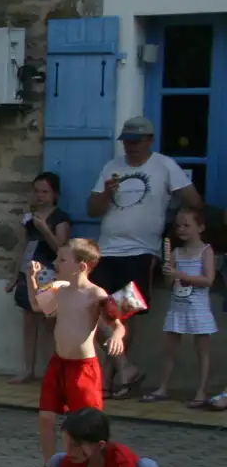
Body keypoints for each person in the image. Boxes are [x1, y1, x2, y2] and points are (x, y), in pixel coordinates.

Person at [87, 115, 202, 396]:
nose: (130, 147)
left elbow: (194, 201)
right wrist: (107, 194)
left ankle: (109, 380)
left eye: (136, 141)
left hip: (141, 252)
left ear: (149, 140)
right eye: (126, 141)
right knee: (95, 310)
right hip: (107, 250)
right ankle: (124, 368)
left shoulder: (164, 166)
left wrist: (177, 228)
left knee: (124, 316)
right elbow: (92, 209)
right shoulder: (112, 166)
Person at [26, 238, 123, 467]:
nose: (56, 263)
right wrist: (32, 279)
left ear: (82, 266)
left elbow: (117, 323)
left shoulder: (96, 294)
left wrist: (115, 336)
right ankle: (50, 466)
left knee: (87, 425)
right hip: (58, 364)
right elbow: (37, 305)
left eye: (62, 259)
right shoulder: (58, 288)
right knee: (46, 417)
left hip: (83, 368)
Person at [6, 172, 73, 383]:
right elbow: (23, 247)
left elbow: (61, 248)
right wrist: (15, 274)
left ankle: (55, 370)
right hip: (29, 273)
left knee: (50, 324)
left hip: (49, 274)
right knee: (28, 321)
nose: (40, 196)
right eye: (37, 191)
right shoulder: (29, 218)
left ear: (55, 194)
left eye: (45, 192)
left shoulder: (60, 218)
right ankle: (28, 369)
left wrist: (45, 229)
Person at [147, 206, 216, 405]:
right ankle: (163, 387)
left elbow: (208, 280)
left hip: (198, 307)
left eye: (187, 225)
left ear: (200, 227)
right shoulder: (176, 252)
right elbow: (170, 284)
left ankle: (201, 390)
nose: (182, 229)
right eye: (179, 226)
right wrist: (168, 273)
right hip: (178, 306)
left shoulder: (206, 250)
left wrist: (180, 275)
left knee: (202, 350)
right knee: (169, 349)